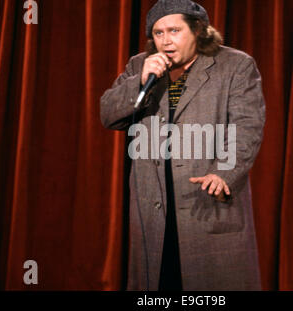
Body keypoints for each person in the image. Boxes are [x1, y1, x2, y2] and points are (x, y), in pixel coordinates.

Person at [100, 0, 265, 291]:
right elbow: (109, 115)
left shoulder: (236, 64)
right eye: (158, 33)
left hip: (205, 197)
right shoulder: (141, 65)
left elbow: (246, 126)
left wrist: (224, 172)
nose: (165, 40)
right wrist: (138, 81)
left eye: (174, 30)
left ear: (198, 30)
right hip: (154, 204)